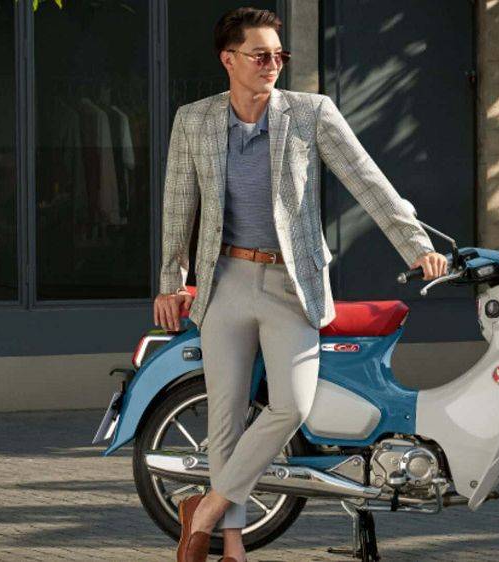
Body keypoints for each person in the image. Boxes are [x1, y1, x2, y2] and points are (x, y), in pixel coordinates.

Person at [152, 7, 448, 562]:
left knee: (290, 406)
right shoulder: (195, 120)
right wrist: (172, 281)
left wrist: (417, 246)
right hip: (224, 282)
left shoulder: (311, 114)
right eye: (260, 55)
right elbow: (177, 208)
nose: (272, 64)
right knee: (226, 418)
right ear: (228, 60)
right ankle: (233, 548)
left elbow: (368, 181)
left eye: (278, 56)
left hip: (291, 284)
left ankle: (206, 511)